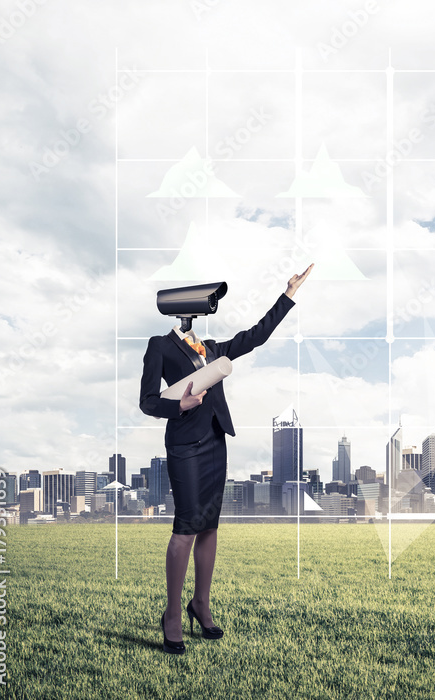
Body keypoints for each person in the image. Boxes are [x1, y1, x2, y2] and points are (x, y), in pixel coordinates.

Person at [139, 265, 313, 654]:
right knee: (185, 528)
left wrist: (287, 294)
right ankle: (171, 614)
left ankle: (201, 602)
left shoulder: (213, 348)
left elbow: (256, 337)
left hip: (215, 443)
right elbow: (147, 401)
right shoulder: (159, 346)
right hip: (184, 446)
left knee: (209, 527)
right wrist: (179, 405)